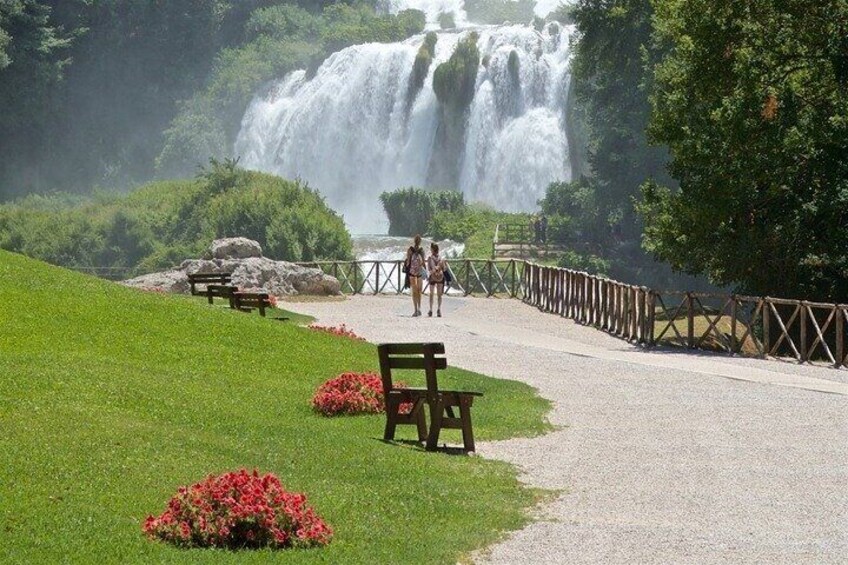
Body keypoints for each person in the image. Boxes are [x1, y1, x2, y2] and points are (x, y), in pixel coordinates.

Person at [405, 234, 426, 317]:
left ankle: (415, 310)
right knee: (419, 291)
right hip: (419, 273)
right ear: (420, 241)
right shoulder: (422, 250)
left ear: (414, 241)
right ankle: (420, 308)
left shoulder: (410, 250)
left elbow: (408, 263)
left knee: (414, 292)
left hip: (412, 273)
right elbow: (423, 263)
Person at [426, 242, 447, 317]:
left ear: (432, 249)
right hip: (440, 277)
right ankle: (439, 309)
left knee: (431, 294)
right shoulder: (441, 258)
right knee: (439, 295)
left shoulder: (430, 258)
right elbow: (444, 268)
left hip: (432, 277)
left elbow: (429, 269)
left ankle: (431, 310)